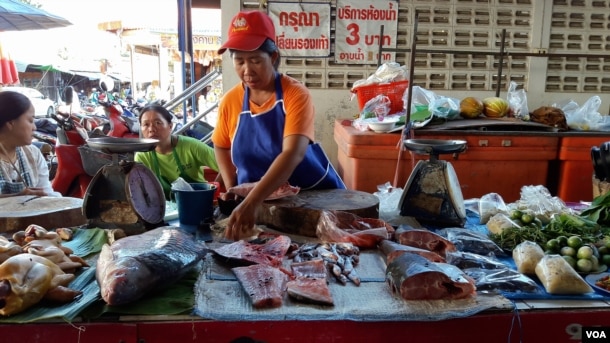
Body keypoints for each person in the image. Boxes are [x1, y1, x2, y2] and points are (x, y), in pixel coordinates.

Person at [212, 10, 344, 240]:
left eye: (255, 60)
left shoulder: (295, 94)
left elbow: (292, 153)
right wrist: (233, 187)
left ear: (273, 57)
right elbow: (221, 145)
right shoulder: (231, 101)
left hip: (310, 200)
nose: (247, 70)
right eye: (239, 61)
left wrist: (253, 201)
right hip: (260, 205)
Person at [135, 104, 220, 199]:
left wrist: (214, 190)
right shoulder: (142, 156)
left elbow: (227, 167)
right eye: (146, 124)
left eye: (158, 123)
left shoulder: (191, 146)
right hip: (165, 209)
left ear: (170, 126)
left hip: (198, 203)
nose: (151, 129)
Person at [0, 91, 61, 197]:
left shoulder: (33, 154)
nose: (35, 127)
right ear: (10, 123)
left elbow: (47, 193)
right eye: (30, 120)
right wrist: (17, 197)